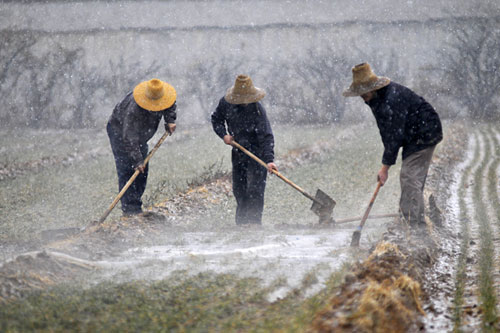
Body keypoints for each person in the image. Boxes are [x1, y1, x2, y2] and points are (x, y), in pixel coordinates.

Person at [343, 63, 443, 229]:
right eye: (359, 94)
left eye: (363, 93)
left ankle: (413, 227)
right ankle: (410, 219)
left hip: (425, 133)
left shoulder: (391, 99)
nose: (361, 97)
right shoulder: (375, 99)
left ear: (372, 88)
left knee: (410, 177)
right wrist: (386, 164)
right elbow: (386, 133)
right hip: (413, 135)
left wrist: (385, 168)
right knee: (412, 177)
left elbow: (394, 135)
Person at [211, 74, 278, 225]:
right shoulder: (226, 103)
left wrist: (269, 160)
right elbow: (216, 119)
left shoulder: (257, 110)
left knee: (255, 189)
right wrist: (224, 135)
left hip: (257, 153)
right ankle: (241, 224)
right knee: (239, 190)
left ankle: (254, 224)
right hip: (238, 151)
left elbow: (266, 136)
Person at [106, 78, 177, 216]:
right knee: (127, 168)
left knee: (142, 170)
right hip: (120, 133)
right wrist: (137, 160)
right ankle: (130, 210)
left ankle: (136, 204)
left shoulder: (164, 96)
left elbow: (170, 105)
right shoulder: (134, 110)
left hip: (142, 134)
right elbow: (129, 138)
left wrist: (170, 120)